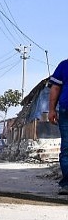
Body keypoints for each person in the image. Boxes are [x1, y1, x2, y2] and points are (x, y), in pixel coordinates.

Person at [49, 59, 68, 194]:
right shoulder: (64, 65)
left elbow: (56, 88)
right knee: (66, 148)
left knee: (67, 148)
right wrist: (51, 110)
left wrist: (52, 109)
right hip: (66, 111)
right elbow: (55, 87)